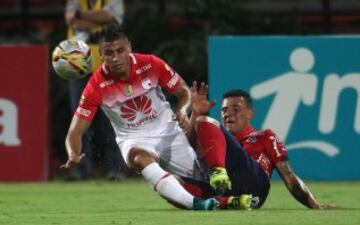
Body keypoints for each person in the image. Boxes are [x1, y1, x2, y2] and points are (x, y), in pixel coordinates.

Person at [61, 23, 218, 210]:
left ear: (129, 47)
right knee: (140, 158)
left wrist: (182, 110)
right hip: (133, 138)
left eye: (120, 50)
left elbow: (183, 91)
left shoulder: (151, 63)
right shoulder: (96, 85)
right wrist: (73, 153)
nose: (116, 57)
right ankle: (196, 205)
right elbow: (75, 131)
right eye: (109, 53)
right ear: (101, 55)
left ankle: (182, 190)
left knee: (205, 186)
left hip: (168, 130)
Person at [184, 81, 337, 210]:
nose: (228, 114)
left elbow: (289, 176)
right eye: (224, 110)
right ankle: (227, 202)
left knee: (204, 122)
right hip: (226, 188)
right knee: (169, 181)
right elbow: (192, 145)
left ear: (251, 113)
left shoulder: (264, 136)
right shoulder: (216, 141)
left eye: (235, 109)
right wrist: (196, 112)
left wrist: (315, 205)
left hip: (254, 184)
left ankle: (222, 193)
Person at [64, 0, 127, 180]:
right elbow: (71, 20)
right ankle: (80, 169)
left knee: (112, 118)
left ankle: (115, 169)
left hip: (108, 69)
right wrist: (100, 21)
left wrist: (80, 16)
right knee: (79, 119)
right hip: (78, 67)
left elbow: (110, 18)